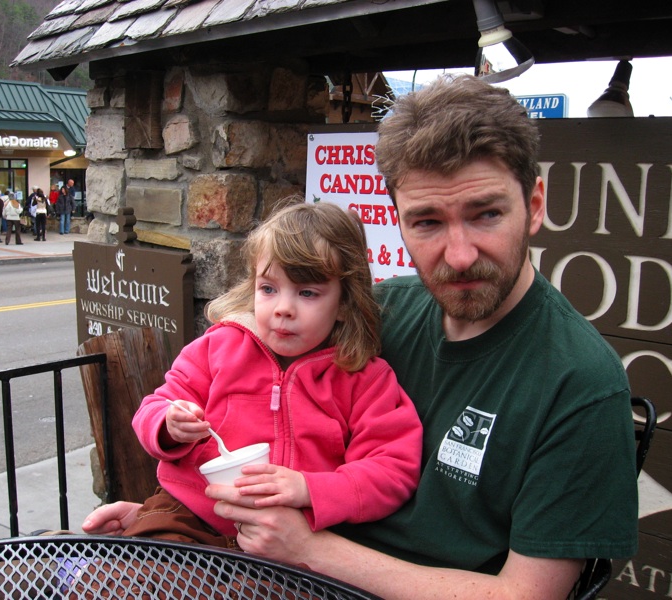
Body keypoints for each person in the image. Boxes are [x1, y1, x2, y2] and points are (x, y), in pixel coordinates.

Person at [84, 74, 639, 599]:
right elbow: (250, 351)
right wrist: (183, 516)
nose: (460, 254)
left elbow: (525, 594)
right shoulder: (382, 311)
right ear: (396, 219)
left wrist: (307, 548)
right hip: (265, 557)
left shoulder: (579, 385)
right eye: (426, 222)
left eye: (486, 213)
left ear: (534, 206)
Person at [112, 201, 422, 547]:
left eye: (307, 293)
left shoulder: (364, 378)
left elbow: (392, 469)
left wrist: (309, 489)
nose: (283, 309)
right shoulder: (219, 347)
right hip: (187, 514)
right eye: (269, 289)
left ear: (345, 304)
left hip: (293, 537)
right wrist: (169, 425)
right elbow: (157, 404)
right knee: (133, 580)